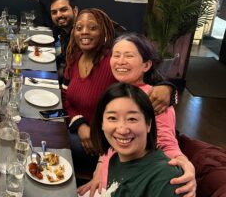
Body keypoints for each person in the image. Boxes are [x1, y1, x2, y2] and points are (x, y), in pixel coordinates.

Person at [78, 32, 196, 197]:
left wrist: (183, 163)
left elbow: (166, 142)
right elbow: (109, 141)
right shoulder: (117, 91)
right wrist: (99, 170)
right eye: (116, 55)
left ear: (146, 65)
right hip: (109, 181)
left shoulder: (154, 98)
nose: (120, 61)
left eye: (129, 56)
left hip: (126, 184)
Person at [62, 8, 174, 176]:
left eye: (93, 27)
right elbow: (65, 97)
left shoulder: (114, 63)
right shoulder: (74, 57)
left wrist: (169, 88)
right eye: (79, 28)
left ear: (104, 31)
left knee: (54, 143)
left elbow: (151, 83)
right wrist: (79, 124)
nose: (84, 32)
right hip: (86, 132)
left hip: (106, 141)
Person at [90, 83, 183, 196]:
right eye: (112, 118)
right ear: (102, 124)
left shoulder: (165, 178)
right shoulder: (114, 160)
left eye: (132, 119)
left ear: (148, 124)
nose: (122, 130)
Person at [49, 0, 78, 73]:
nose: (58, 15)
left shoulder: (80, 35)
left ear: (75, 11)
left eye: (64, 10)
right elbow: (64, 58)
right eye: (54, 12)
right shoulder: (64, 32)